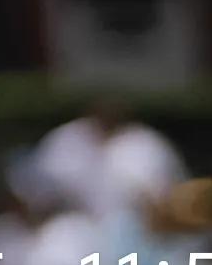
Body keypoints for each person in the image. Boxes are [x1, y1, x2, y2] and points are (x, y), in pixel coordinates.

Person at [40, 100, 190, 240]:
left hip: (137, 236)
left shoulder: (147, 144)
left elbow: (168, 203)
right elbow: (38, 197)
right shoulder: (66, 138)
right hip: (75, 234)